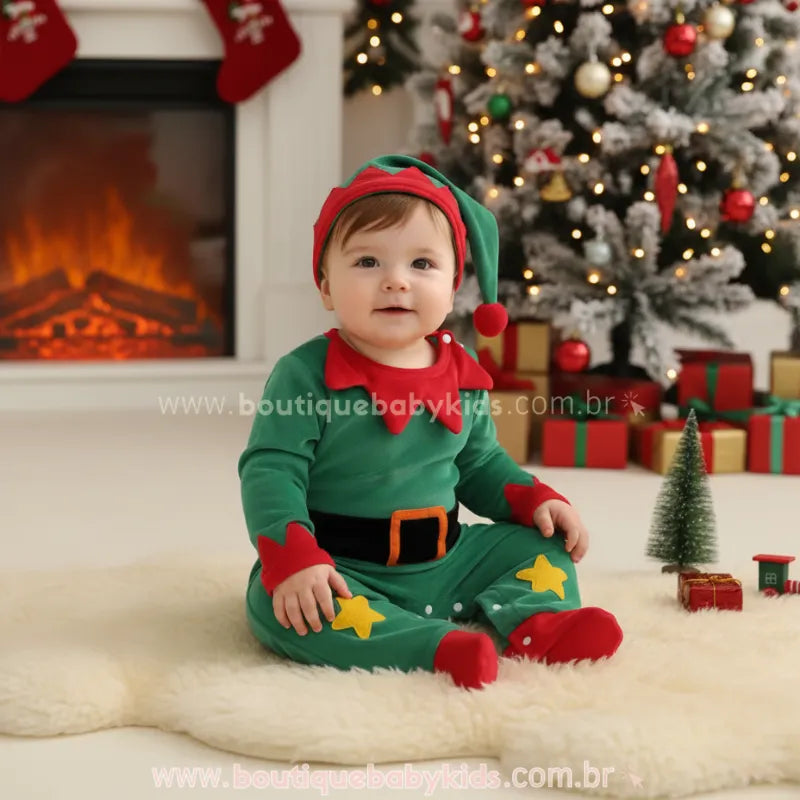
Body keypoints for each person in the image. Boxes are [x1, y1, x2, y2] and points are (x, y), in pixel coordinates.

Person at [239, 155, 623, 689]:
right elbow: (272, 471)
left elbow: (480, 463)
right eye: (368, 262)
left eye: (422, 265)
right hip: (342, 567)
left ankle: (539, 625)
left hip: (449, 560)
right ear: (325, 285)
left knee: (541, 546)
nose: (396, 282)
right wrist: (296, 559)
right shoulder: (306, 374)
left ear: (453, 286)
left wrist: (535, 499)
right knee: (274, 604)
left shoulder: (463, 374)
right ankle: (436, 647)